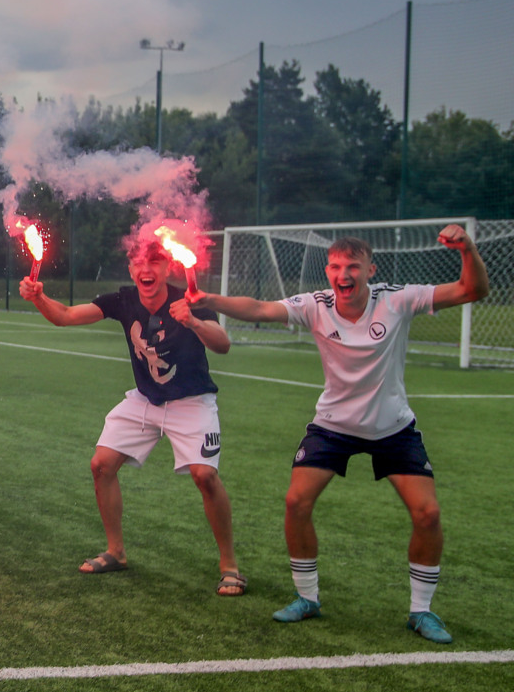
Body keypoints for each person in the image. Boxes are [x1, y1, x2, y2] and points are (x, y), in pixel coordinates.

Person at [189, 227, 489, 640]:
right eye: (335, 266)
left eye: (352, 266)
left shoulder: (397, 299)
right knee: (296, 501)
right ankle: (307, 599)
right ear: (327, 271)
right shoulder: (316, 304)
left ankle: (421, 611)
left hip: (393, 427)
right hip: (333, 426)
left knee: (428, 513)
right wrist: (210, 301)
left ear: (370, 269)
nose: (342, 274)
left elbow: (472, 290)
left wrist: (467, 249)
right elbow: (259, 308)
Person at [20, 237, 242, 595]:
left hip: (191, 401)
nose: (145, 269)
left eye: (154, 262)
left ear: (168, 268)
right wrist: (38, 297)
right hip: (146, 399)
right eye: (138, 262)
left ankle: (229, 566)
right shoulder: (123, 299)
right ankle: (116, 552)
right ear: (130, 269)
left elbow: (223, 344)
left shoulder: (189, 299)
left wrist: (194, 322)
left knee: (205, 477)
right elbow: (64, 317)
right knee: (101, 464)